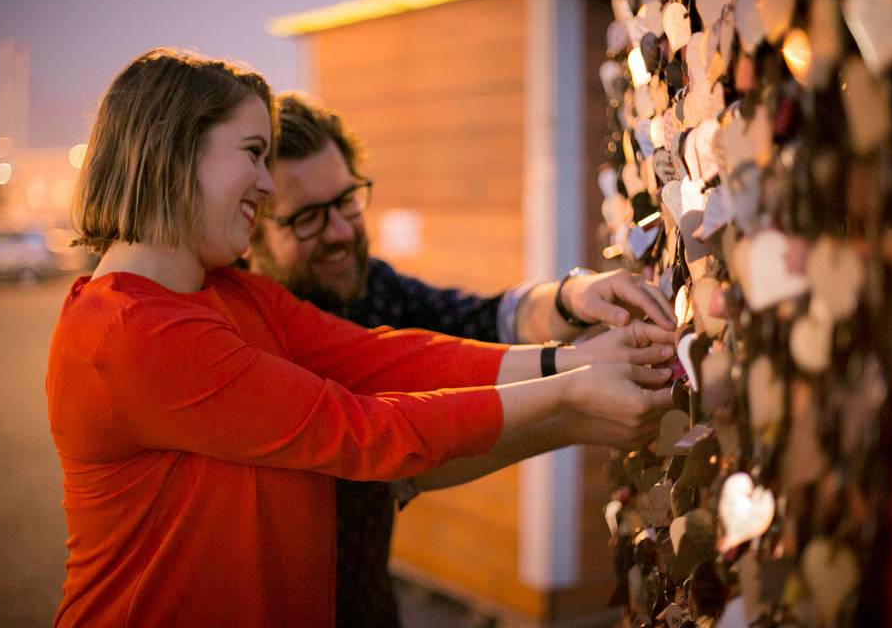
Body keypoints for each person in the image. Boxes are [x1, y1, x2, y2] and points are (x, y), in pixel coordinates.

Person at [46, 48, 674, 627]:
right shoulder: (132, 334)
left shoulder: (234, 294)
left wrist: (568, 360)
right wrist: (570, 394)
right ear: (175, 150)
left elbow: (384, 357)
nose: (266, 188)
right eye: (253, 153)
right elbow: (362, 428)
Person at [247, 92, 678, 626]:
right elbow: (391, 466)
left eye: (347, 202)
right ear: (251, 234)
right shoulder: (253, 345)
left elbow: (478, 321)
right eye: (308, 219)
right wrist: (576, 402)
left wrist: (573, 296)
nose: (339, 231)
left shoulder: (368, 286)